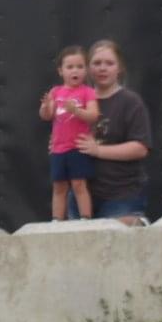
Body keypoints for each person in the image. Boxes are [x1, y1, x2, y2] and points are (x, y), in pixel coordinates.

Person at [74, 38, 152, 225]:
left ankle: (137, 223)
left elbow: (140, 148)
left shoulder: (131, 102)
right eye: (97, 63)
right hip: (80, 195)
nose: (103, 68)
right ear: (88, 68)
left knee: (116, 238)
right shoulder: (76, 102)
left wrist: (98, 150)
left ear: (120, 68)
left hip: (121, 194)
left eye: (109, 63)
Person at [39, 45, 98, 220]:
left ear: (86, 70)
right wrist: (45, 106)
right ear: (61, 71)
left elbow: (93, 116)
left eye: (80, 67)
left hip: (77, 147)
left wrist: (76, 111)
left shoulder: (88, 92)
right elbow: (46, 116)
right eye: (70, 67)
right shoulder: (56, 92)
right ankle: (57, 220)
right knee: (59, 186)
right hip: (58, 149)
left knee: (79, 184)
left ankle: (85, 219)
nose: (75, 71)